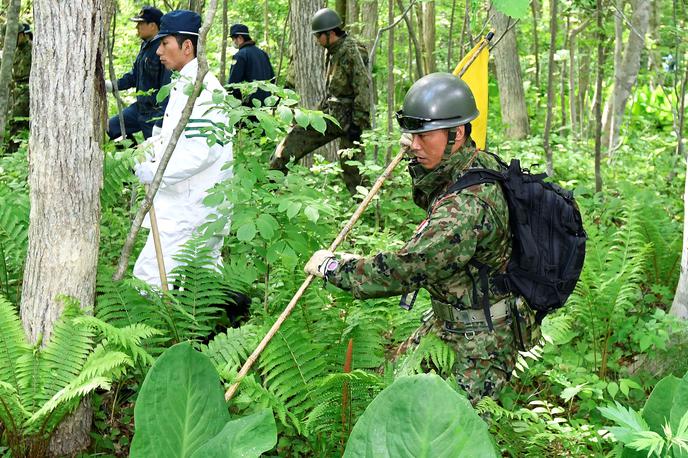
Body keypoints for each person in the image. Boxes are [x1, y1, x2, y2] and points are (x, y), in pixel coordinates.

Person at [304, 73, 539, 404]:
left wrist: (334, 269)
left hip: (480, 345)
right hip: (450, 321)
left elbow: (406, 268)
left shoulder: (465, 209)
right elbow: (433, 195)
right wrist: (419, 155)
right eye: (411, 134)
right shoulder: (474, 162)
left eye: (423, 135)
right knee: (396, 397)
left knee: (451, 436)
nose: (413, 144)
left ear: (456, 134)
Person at [132, 10, 233, 288]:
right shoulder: (185, 84)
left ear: (187, 46)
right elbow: (173, 136)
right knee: (200, 290)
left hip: (190, 209)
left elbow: (200, 151)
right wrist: (148, 148)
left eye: (165, 44)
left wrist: (153, 172)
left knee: (151, 279)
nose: (158, 52)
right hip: (188, 205)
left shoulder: (205, 90)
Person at [269, 8, 371, 195]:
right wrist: (314, 114)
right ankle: (269, 192)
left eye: (318, 36)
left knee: (352, 168)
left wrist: (358, 124)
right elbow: (334, 89)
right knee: (350, 167)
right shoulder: (332, 49)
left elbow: (363, 86)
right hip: (334, 112)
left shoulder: (349, 50)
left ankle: (367, 212)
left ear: (330, 34)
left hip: (346, 118)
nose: (316, 40)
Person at [106, 6, 171, 141]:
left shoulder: (163, 49)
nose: (137, 27)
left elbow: (168, 88)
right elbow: (134, 75)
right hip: (140, 108)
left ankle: (143, 159)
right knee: (112, 127)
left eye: (141, 24)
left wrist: (161, 120)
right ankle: (133, 157)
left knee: (153, 152)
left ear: (153, 26)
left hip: (154, 112)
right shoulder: (145, 46)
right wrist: (113, 86)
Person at [227, 23, 275, 107]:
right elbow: (272, 79)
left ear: (240, 38)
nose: (233, 41)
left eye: (233, 38)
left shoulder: (239, 56)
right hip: (266, 106)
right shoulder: (263, 53)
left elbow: (233, 84)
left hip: (248, 108)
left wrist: (234, 104)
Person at [5, 23, 32, 149]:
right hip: (17, 89)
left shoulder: (33, 49)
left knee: (17, 119)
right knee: (17, 119)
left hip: (28, 88)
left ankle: (13, 148)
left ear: (21, 35)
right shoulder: (16, 52)